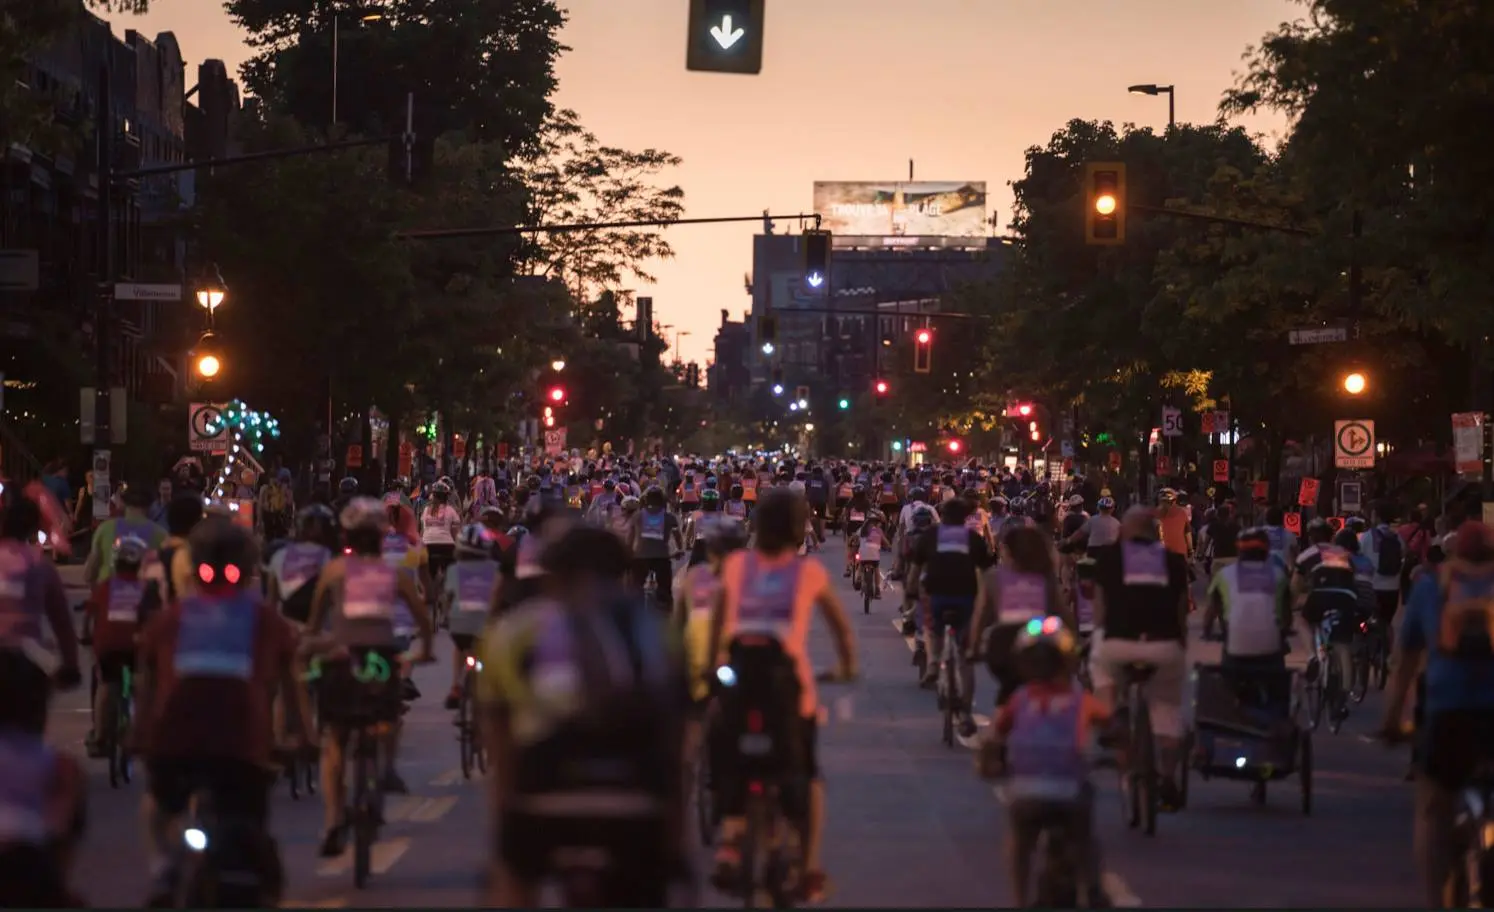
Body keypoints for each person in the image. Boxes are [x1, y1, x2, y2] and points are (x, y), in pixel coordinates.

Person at [477, 524, 689, 908]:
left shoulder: (516, 630)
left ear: (553, 576)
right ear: (622, 574)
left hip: (545, 792)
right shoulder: (655, 631)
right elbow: (674, 743)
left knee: (511, 885)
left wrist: (507, 829)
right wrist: (675, 843)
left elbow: (500, 742)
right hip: (635, 798)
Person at [132, 516, 312, 905]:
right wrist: (304, 738)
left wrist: (139, 735)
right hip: (242, 749)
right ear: (249, 569)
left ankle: (164, 869)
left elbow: (147, 685)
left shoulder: (172, 618)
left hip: (173, 745)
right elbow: (292, 687)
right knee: (254, 837)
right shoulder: (265, 620)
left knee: (158, 809)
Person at [706, 487, 858, 903]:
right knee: (807, 776)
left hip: (737, 680)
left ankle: (731, 837)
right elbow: (842, 630)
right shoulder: (808, 573)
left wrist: (709, 672)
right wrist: (846, 668)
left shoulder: (736, 566)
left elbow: (719, 627)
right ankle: (808, 868)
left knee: (724, 752)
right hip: (789, 690)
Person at [304, 498, 434, 853]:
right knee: (390, 716)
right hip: (383, 658)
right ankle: (388, 768)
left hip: (341, 661)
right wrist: (425, 651)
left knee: (334, 741)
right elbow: (424, 620)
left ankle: (333, 820)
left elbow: (315, 624)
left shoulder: (333, 572)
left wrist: (311, 646)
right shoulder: (394, 574)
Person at [1381, 520, 1494, 909]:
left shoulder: (1433, 587)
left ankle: (1436, 902)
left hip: (1450, 717)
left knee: (1432, 812)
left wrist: (1392, 721)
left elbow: (1405, 664)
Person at [984, 616, 1109, 908]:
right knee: (1085, 837)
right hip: (1071, 793)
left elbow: (993, 739)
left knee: (1020, 844)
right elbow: (1112, 728)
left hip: (1026, 793)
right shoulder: (1081, 700)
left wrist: (988, 763)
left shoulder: (1019, 699)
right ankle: (1093, 887)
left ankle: (1019, 899)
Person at [1087, 505, 1190, 809]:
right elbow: (1182, 608)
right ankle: (1168, 778)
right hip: (1164, 644)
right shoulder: (1174, 561)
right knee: (1167, 711)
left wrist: (1098, 633)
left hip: (1118, 642)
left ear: (1125, 531)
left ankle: (1110, 716)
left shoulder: (1109, 558)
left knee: (1100, 667)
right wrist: (1179, 640)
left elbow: (1100, 609)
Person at [908, 497, 990, 737]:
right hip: (966, 597)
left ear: (942, 517)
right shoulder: (974, 539)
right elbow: (986, 574)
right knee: (966, 659)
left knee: (932, 629)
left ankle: (933, 663)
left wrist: (912, 591)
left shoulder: (930, 536)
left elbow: (915, 569)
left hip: (937, 594)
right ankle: (965, 712)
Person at [971, 525, 1067, 708]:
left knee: (1008, 688)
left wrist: (973, 648)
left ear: (1008, 551)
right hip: (1042, 640)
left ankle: (997, 731)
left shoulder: (994, 576)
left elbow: (980, 616)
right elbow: (1062, 613)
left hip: (1004, 643)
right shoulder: (1045, 575)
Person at [83, 535, 152, 759]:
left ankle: (101, 737)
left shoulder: (105, 587)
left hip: (108, 647)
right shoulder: (146, 588)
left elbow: (90, 614)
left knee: (105, 685)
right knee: (144, 684)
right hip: (138, 646)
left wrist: (85, 635)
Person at [1206, 528, 1290, 671]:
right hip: (1270, 648)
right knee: (1278, 683)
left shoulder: (1225, 574)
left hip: (1236, 647)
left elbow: (1212, 611)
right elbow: (1287, 616)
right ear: (1266, 551)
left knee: (1228, 683)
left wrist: (1207, 632)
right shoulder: (1279, 574)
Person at [442, 524, 500, 710]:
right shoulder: (496, 569)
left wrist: (446, 617)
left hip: (459, 627)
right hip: (487, 627)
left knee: (460, 648)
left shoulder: (453, 569)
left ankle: (456, 687)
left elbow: (447, 600)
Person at [82, 485, 165, 588]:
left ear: (123, 503)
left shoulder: (105, 528)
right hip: (146, 596)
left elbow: (90, 572)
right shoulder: (160, 534)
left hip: (107, 594)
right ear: (150, 505)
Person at [628, 485, 683, 608]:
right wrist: (680, 549)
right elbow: (678, 537)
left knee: (634, 588)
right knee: (665, 590)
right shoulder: (669, 517)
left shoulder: (637, 516)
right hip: (662, 557)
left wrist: (629, 553)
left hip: (640, 557)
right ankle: (666, 609)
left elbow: (630, 538)